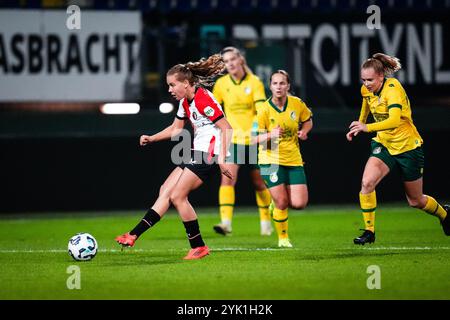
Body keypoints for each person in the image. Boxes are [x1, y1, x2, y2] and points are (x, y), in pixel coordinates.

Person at [115, 54, 233, 260]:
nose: (169, 90)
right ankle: (134, 234)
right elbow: (175, 129)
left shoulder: (203, 98)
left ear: (186, 84)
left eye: (172, 85)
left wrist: (222, 158)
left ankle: (198, 247)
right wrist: (152, 138)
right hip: (198, 152)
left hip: (209, 154)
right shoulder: (185, 102)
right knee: (165, 191)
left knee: (178, 196)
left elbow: (227, 128)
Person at [346, 53, 450, 245]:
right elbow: (366, 106)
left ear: (381, 77)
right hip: (384, 144)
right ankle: (369, 231)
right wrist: (358, 125)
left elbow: (394, 120)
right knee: (367, 183)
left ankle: (445, 214)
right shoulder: (365, 90)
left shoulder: (393, 89)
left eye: (370, 79)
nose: (366, 83)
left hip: (408, 146)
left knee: (416, 201)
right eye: (363, 79)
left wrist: (367, 127)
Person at [212, 46, 273, 236]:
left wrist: (257, 133)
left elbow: (262, 110)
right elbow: (213, 110)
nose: (229, 64)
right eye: (226, 61)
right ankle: (226, 223)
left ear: (240, 60)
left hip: (255, 140)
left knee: (259, 183)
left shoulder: (254, 82)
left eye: (232, 60)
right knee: (227, 179)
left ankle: (266, 224)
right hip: (233, 139)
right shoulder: (221, 84)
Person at [254, 70, 313, 247]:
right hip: (269, 158)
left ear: (288, 86)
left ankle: (274, 203)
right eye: (275, 83)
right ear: (270, 86)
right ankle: (283, 239)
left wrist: (305, 131)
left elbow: (308, 119)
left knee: (299, 203)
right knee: (282, 202)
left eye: (282, 83)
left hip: (293, 158)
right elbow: (253, 138)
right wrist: (269, 135)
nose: (278, 87)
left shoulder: (297, 103)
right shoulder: (263, 109)